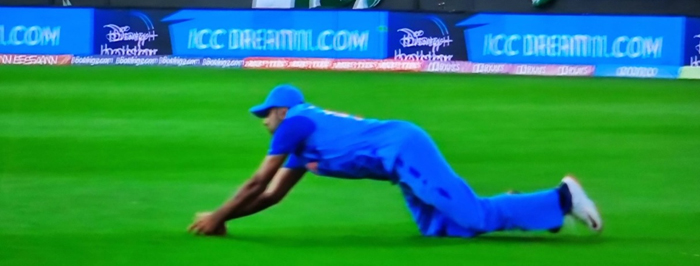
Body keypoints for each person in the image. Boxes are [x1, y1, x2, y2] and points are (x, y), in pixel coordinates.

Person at [189, 85, 603, 238]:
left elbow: (257, 182)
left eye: (266, 113)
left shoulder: (294, 123)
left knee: (474, 218)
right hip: (397, 165)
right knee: (441, 228)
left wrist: (218, 214)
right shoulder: (302, 139)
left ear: (282, 109)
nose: (263, 121)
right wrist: (227, 219)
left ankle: (564, 197)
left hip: (405, 149)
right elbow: (274, 196)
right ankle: (532, 210)